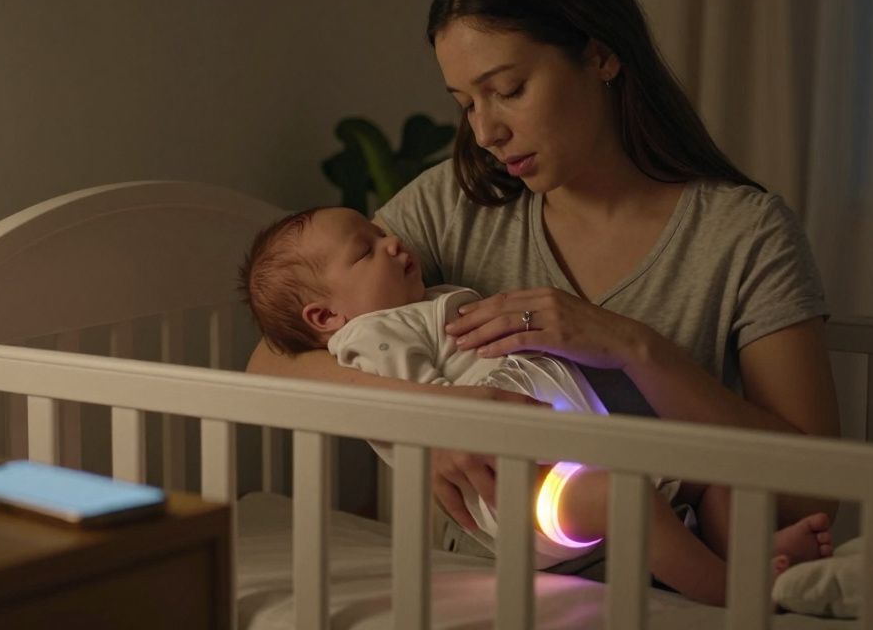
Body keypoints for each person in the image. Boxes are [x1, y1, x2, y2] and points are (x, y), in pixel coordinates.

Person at [238, 205, 834, 605]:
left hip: (578, 451)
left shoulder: (431, 300)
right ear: (324, 317)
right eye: (366, 250)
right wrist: (442, 419)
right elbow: (411, 413)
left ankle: (750, 552)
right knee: (625, 498)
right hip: (523, 486)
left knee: (708, 477)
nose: (393, 240)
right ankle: (727, 590)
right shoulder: (370, 337)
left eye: (380, 232)